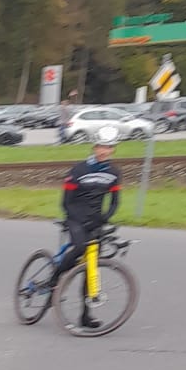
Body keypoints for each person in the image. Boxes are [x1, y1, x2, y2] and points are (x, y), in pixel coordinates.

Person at [58, 126, 121, 327]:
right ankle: (54, 278)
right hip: (75, 218)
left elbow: (115, 202)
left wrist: (104, 219)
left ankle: (85, 316)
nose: (104, 151)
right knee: (79, 247)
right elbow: (66, 202)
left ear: (113, 149)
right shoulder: (78, 170)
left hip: (95, 222)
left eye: (108, 147)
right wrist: (77, 219)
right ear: (94, 147)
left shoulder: (114, 173)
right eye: (101, 146)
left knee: (91, 269)